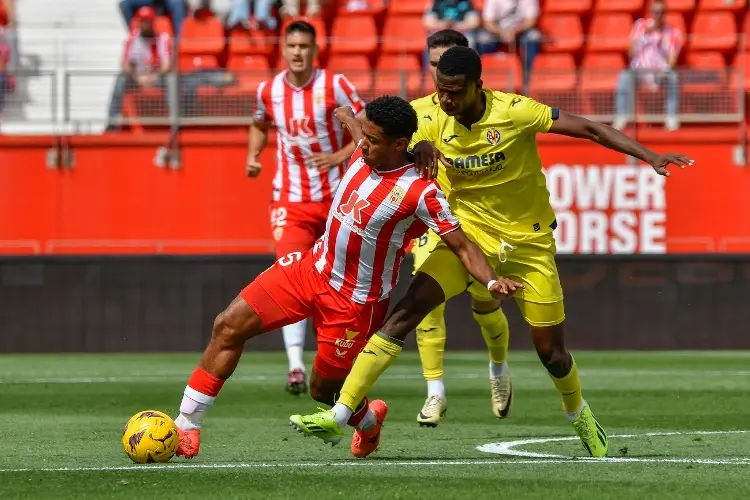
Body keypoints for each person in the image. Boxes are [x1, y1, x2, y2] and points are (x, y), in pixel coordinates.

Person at [290, 46, 694, 458]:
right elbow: (374, 135)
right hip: (465, 239)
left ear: (478, 86)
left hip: (528, 243)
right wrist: (414, 149)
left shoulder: (515, 111)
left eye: (455, 92)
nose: (446, 100)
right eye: (441, 91)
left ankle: (579, 413)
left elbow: (587, 128)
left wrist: (650, 156)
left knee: (552, 355)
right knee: (408, 311)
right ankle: (339, 413)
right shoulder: (427, 115)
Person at [173, 95, 522, 460]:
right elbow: (356, 126)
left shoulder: (422, 191)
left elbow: (463, 246)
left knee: (324, 392)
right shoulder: (365, 148)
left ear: (399, 145)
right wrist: (344, 115)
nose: (362, 144)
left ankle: (369, 422)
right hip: (309, 269)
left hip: (354, 303)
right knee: (227, 326)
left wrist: (492, 281)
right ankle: (186, 425)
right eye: (364, 136)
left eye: (372, 140)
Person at [246, 20, 365, 396]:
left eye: (304, 46)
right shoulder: (269, 90)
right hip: (290, 200)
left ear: (315, 49)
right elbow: (259, 124)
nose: (297, 52)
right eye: (291, 45)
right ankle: (296, 365)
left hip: (336, 202)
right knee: (290, 276)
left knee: (336, 283)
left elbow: (365, 129)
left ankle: (332, 363)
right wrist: (253, 155)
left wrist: (338, 156)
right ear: (283, 48)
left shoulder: (335, 85)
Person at [410, 29, 515, 428]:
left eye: (447, 65)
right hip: (434, 221)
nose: (441, 73)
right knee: (426, 303)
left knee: (486, 307)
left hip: (479, 224)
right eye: (435, 65)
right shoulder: (418, 112)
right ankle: (435, 392)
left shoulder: (481, 111)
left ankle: (499, 368)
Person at [613, 0, 683, 132]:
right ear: (651, 13)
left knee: (672, 77)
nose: (659, 15)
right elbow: (630, 53)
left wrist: (663, 43)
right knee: (624, 76)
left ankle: (671, 116)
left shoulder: (673, 32)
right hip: (640, 71)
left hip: (660, 72)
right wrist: (645, 35)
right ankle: (622, 115)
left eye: (662, 12)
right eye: (656, 12)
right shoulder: (640, 26)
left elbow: (672, 61)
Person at [107, 6, 173, 132]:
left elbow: (166, 66)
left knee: (171, 80)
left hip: (157, 78)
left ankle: (174, 120)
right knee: (120, 79)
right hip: (137, 78)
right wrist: (138, 77)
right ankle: (112, 121)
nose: (145, 24)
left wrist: (153, 77)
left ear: (153, 22)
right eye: (142, 21)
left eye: (148, 21)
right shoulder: (133, 38)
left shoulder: (162, 38)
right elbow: (125, 65)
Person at [477, 0, 541, 95]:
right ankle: (481, 77)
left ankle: (527, 78)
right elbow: (488, 22)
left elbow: (531, 20)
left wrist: (515, 31)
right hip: (497, 32)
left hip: (521, 33)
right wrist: (501, 33)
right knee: (482, 39)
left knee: (533, 37)